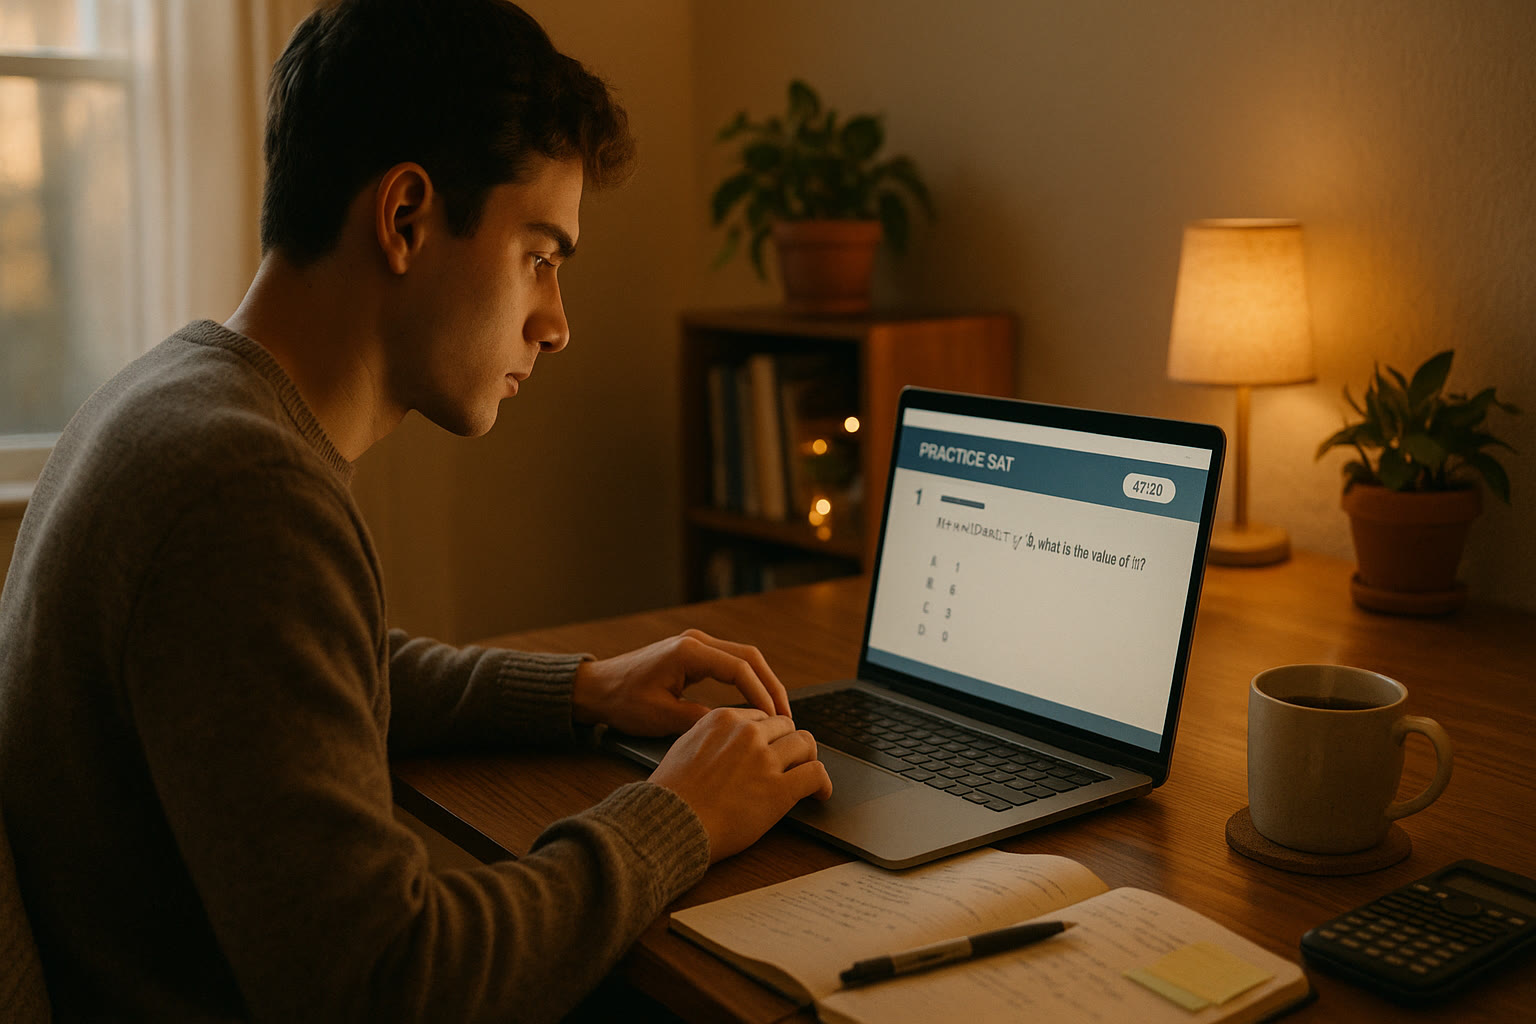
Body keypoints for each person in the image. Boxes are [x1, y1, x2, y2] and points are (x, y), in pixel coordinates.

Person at [0, 0, 832, 1020]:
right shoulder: (242, 493)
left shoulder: (173, 398)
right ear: (406, 218)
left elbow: (314, 673)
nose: (557, 323)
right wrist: (679, 813)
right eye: (541, 255)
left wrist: (583, 688)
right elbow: (388, 981)